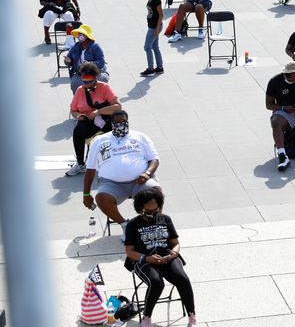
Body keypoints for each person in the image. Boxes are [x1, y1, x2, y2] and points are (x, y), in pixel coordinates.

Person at [124, 188, 197, 327]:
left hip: (167, 257)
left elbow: (175, 243)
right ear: (140, 209)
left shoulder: (166, 219)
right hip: (144, 259)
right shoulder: (133, 225)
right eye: (148, 212)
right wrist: (147, 258)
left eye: (155, 210)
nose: (152, 214)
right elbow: (129, 251)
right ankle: (146, 318)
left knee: (183, 279)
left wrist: (174, 254)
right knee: (157, 283)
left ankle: (192, 317)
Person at [66, 63, 122, 177]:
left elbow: (118, 107)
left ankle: (111, 163)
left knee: (105, 138)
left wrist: (99, 112)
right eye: (83, 80)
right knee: (77, 131)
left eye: (89, 80)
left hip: (105, 122)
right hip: (88, 121)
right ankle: (80, 163)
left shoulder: (104, 87)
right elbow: (73, 110)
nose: (86, 83)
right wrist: (78, 116)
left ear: (95, 78)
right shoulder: (80, 90)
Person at [64, 25, 109, 94]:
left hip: (95, 73)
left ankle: (96, 98)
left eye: (82, 34)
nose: (79, 36)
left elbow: (101, 62)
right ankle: (79, 100)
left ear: (87, 36)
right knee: (75, 83)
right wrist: (68, 62)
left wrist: (90, 64)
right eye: (79, 34)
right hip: (80, 73)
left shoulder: (95, 47)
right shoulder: (75, 47)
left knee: (94, 81)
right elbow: (69, 59)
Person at [140, 0, 164, 77]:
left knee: (147, 47)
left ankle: (150, 68)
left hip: (154, 27)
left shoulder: (156, 0)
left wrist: (157, 29)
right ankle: (159, 67)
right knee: (155, 47)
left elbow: (161, 15)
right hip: (153, 26)